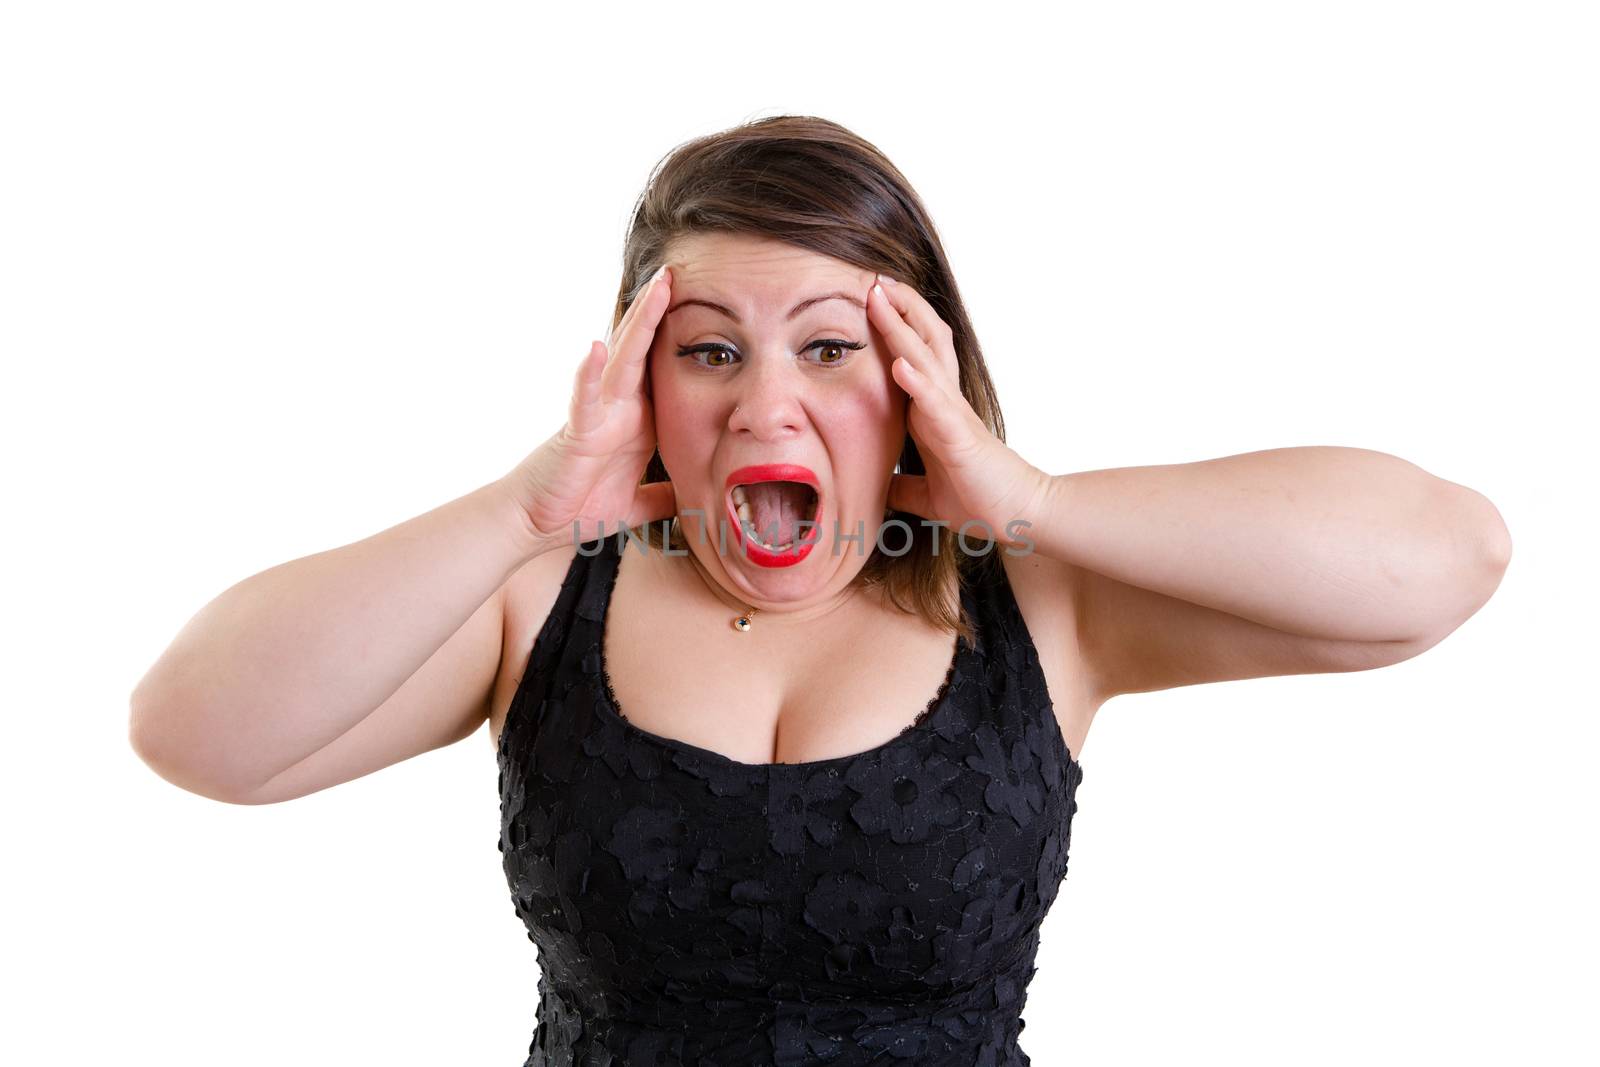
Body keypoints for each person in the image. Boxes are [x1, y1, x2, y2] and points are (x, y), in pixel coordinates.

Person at [128, 115, 1513, 1066]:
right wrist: (519, 508)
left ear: (917, 384)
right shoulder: (534, 598)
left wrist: (1032, 500)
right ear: (643, 384)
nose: (765, 405)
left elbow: (1444, 560)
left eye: (832, 347)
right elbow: (195, 735)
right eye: (712, 352)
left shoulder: (1044, 601)